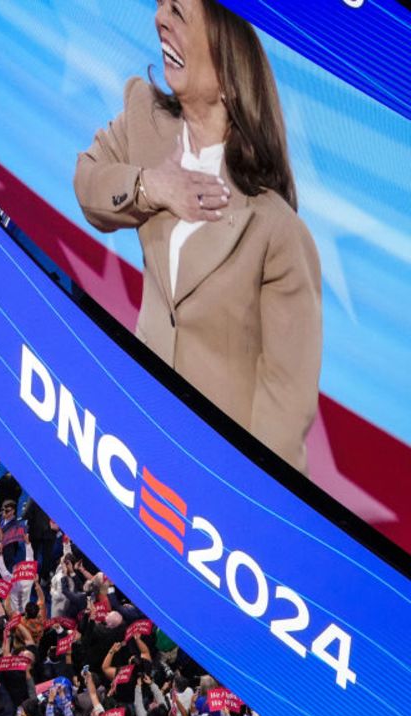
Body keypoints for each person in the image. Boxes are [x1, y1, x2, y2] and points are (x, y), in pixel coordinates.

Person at [73, 0, 321, 473]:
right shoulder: (144, 121)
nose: (158, 18)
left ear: (229, 64)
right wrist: (152, 186)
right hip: (136, 435)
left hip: (212, 473)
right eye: (161, 6)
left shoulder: (277, 231)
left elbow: (285, 412)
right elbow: (88, 185)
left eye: (179, 11)